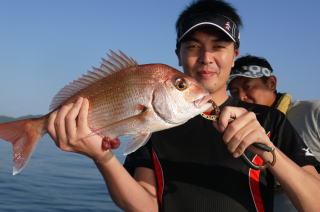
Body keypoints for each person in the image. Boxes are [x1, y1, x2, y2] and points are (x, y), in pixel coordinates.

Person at [46, 0, 320, 211]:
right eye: (193, 46)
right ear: (178, 54)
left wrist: (268, 150)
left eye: (219, 46)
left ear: (234, 55)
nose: (206, 58)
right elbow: (147, 206)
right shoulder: (155, 124)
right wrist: (102, 158)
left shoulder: (270, 120)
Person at [228, 55, 320, 211]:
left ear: (271, 83)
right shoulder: (238, 127)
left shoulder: (312, 112)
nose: (241, 96)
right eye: (234, 91)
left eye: (248, 86)